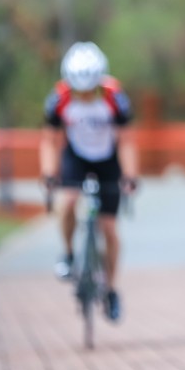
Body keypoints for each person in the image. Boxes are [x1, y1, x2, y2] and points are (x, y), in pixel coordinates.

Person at [39, 41, 139, 322]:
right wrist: (49, 173)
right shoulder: (58, 99)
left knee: (109, 228)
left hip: (107, 159)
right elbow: (48, 140)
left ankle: (110, 289)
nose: (83, 95)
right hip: (77, 157)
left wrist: (130, 176)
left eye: (89, 89)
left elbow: (127, 140)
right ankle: (69, 254)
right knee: (68, 201)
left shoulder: (114, 97)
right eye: (78, 89)